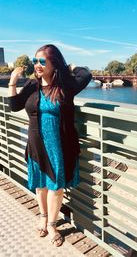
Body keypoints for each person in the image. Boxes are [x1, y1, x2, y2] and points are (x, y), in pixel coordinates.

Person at [7, 44, 92, 247]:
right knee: (40, 185)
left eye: (43, 61)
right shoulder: (31, 85)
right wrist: (12, 82)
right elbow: (14, 106)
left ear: (54, 63)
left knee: (56, 187)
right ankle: (43, 217)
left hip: (59, 145)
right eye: (35, 61)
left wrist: (69, 68)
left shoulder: (66, 86)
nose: (37, 65)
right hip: (36, 143)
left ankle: (53, 225)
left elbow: (86, 74)